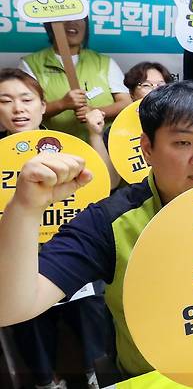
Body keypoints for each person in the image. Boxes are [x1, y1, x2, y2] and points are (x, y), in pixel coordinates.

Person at [0, 81, 193, 379]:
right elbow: (12, 307)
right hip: (154, 379)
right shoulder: (110, 221)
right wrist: (25, 209)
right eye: (182, 142)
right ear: (147, 149)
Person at [0, 68, 112, 389]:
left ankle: (98, 377)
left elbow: (105, 184)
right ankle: (46, 381)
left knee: (92, 311)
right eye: (6, 100)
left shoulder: (69, 149)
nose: (18, 108)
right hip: (19, 257)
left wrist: (93, 136)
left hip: (70, 249)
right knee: (29, 322)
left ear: (42, 105)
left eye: (26, 99)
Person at [19, 18, 131, 142]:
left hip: (101, 146)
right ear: (50, 25)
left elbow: (125, 104)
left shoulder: (104, 62)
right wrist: (61, 104)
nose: (73, 23)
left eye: (80, 18)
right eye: (65, 18)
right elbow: (24, 110)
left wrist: (95, 111)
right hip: (52, 147)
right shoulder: (31, 64)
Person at [85, 62, 175, 190]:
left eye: (161, 85)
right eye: (146, 85)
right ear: (132, 94)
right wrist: (95, 134)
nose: (155, 90)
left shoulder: (181, 125)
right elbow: (110, 182)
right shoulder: (116, 132)